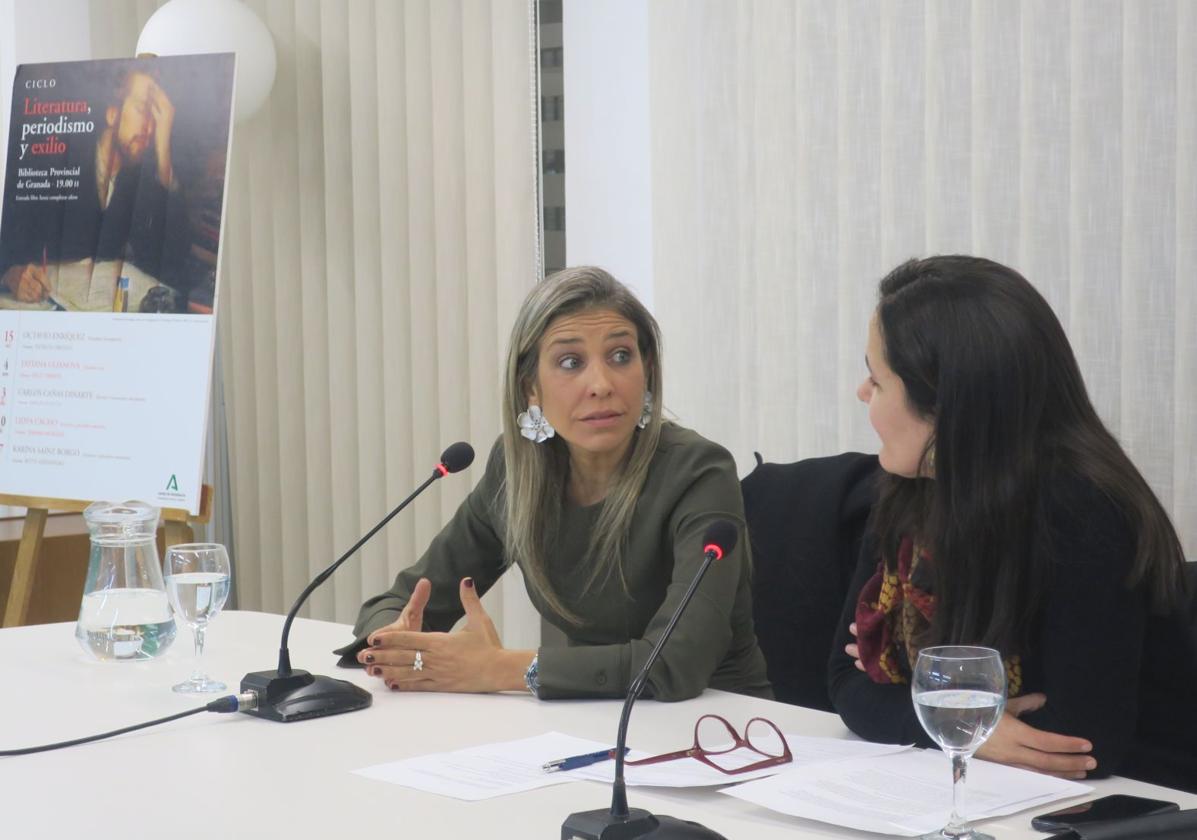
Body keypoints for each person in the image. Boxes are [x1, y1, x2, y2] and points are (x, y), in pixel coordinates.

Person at [829, 255, 1197, 793]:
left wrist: (923, 706)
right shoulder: (908, 493)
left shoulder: (1083, 510)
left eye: (877, 380)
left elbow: (1081, 743)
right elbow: (843, 686)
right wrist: (965, 724)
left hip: (1133, 802)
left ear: (948, 404)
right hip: (979, 791)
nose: (863, 393)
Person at [335, 266, 771, 701]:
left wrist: (499, 667)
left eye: (621, 356)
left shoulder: (699, 472)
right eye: (570, 362)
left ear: (648, 369)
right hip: (586, 722)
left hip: (720, 731)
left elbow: (678, 662)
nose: (601, 384)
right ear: (531, 388)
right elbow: (400, 601)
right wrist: (392, 642)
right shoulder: (517, 469)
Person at [1, 65, 192, 307]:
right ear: (112, 114)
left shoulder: (141, 179)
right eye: (143, 110)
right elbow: (8, 239)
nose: (150, 129)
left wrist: (164, 157)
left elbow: (173, 261)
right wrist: (10, 272)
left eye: (157, 119)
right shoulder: (53, 155)